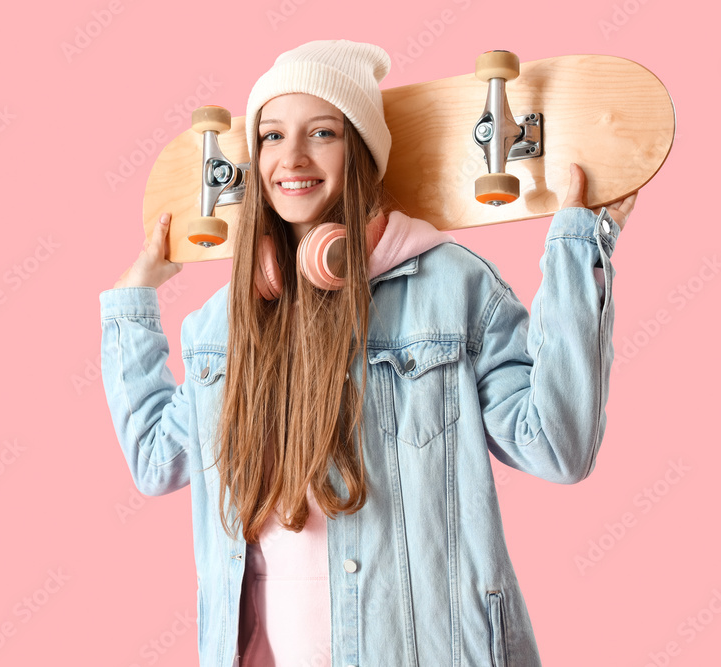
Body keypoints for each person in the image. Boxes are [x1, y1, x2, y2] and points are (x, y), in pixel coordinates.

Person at [100, 39, 636, 667]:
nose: (291, 157)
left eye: (321, 132)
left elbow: (556, 445)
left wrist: (578, 252)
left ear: (359, 150)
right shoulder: (224, 323)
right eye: (271, 136)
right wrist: (132, 301)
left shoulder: (453, 288)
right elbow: (156, 458)